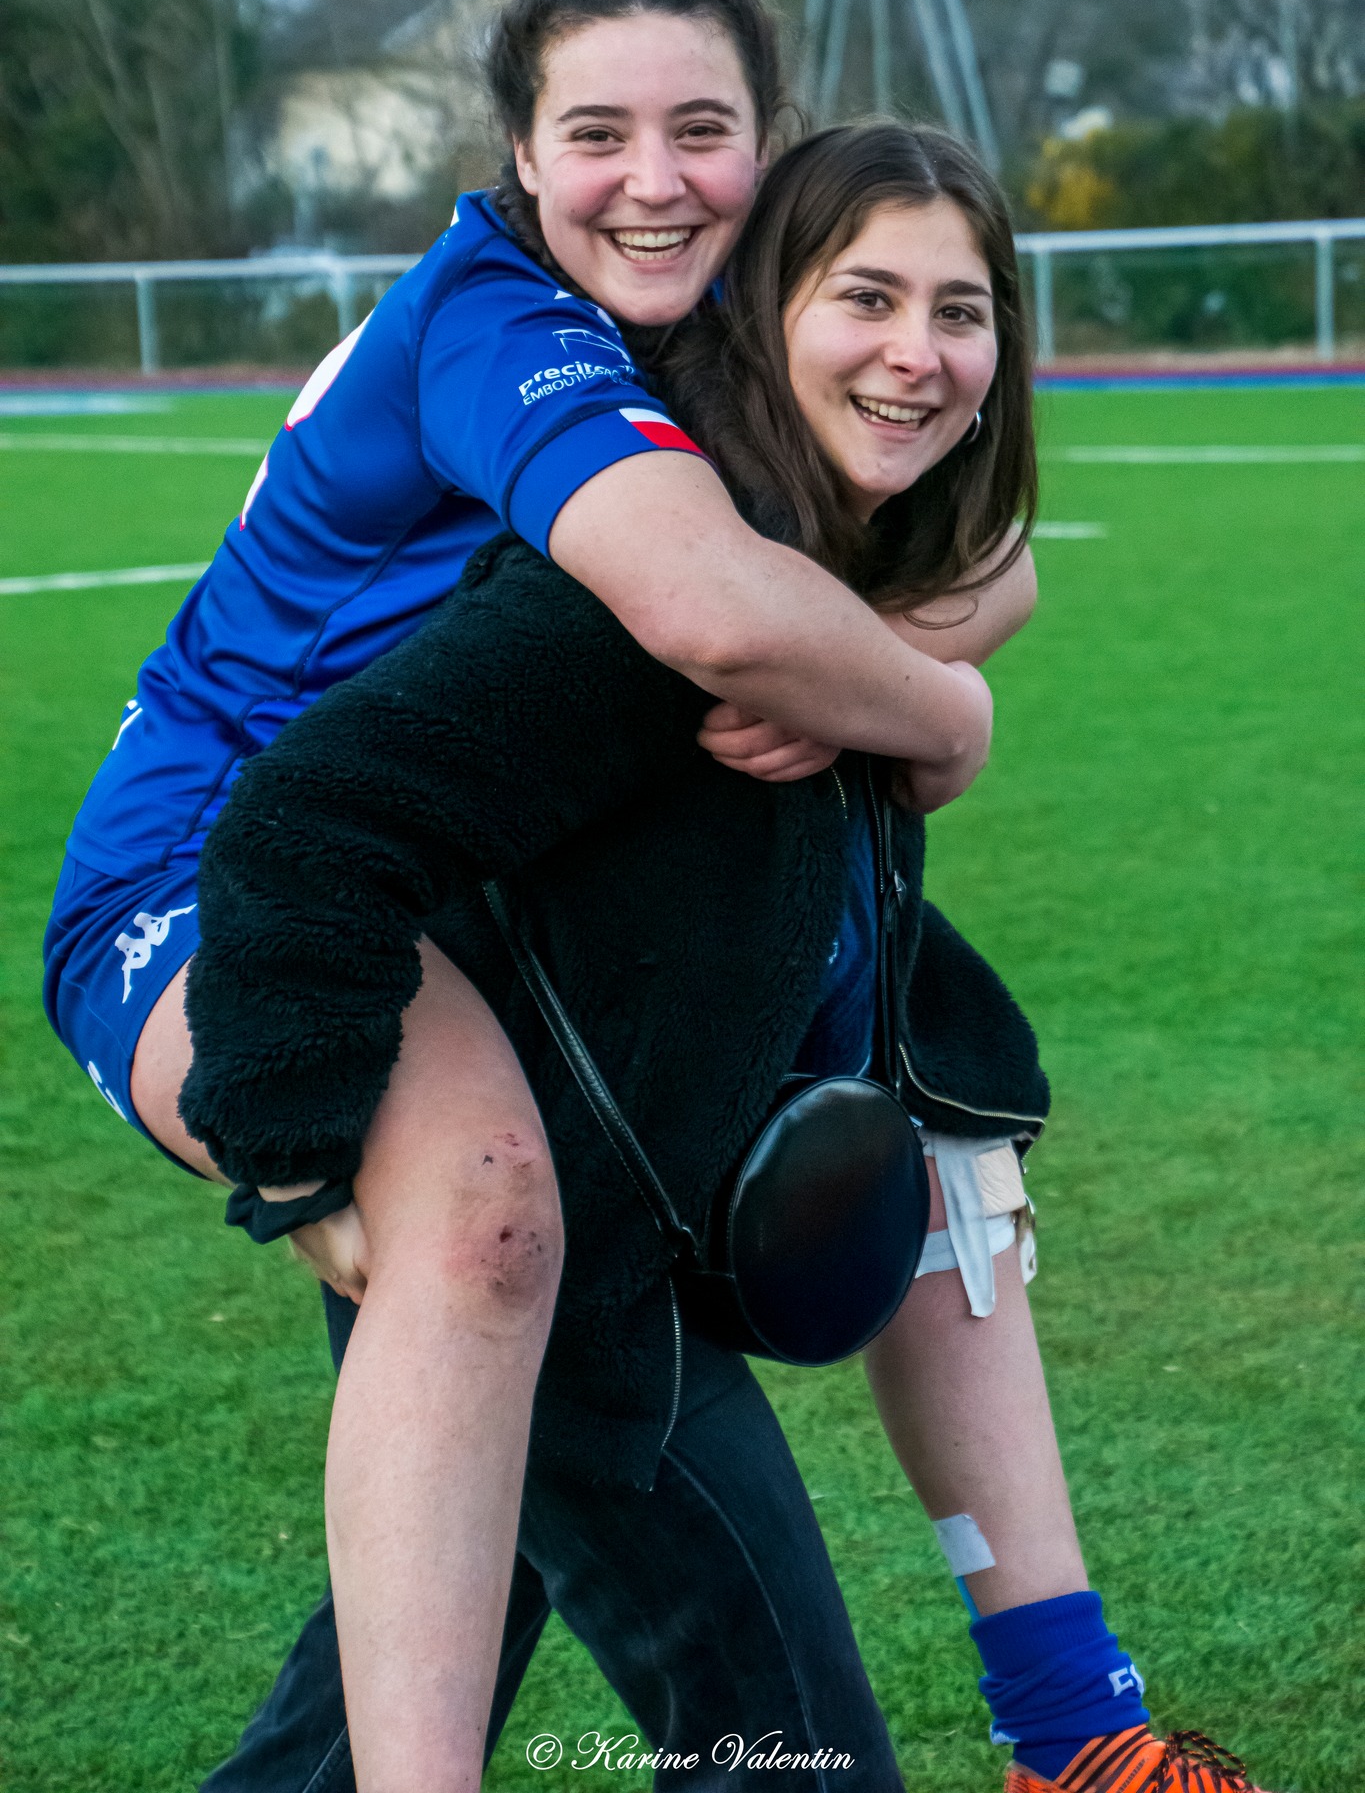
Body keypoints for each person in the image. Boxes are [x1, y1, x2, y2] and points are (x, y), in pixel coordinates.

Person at [182, 125, 1267, 1793]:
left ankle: (1076, 1742)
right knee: (796, 1760)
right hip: (564, 1285)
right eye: (867, 299)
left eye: (962, 312)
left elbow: (976, 595)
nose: (919, 353)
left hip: (629, 1240)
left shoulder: (844, 580)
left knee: (370, 1718)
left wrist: (932, 692)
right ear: (765, 311)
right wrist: (309, 1167)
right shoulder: (656, 596)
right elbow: (302, 823)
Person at [41, 0, 994, 1793]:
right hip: (216, 879)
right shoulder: (510, 322)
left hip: (432, 898)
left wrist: (888, 653)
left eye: (702, 129)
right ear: (516, 152)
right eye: (598, 131)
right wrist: (943, 721)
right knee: (486, 1224)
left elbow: (951, 541)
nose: (654, 177)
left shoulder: (710, 335)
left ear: (766, 143)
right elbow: (713, 605)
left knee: (506, 1440)